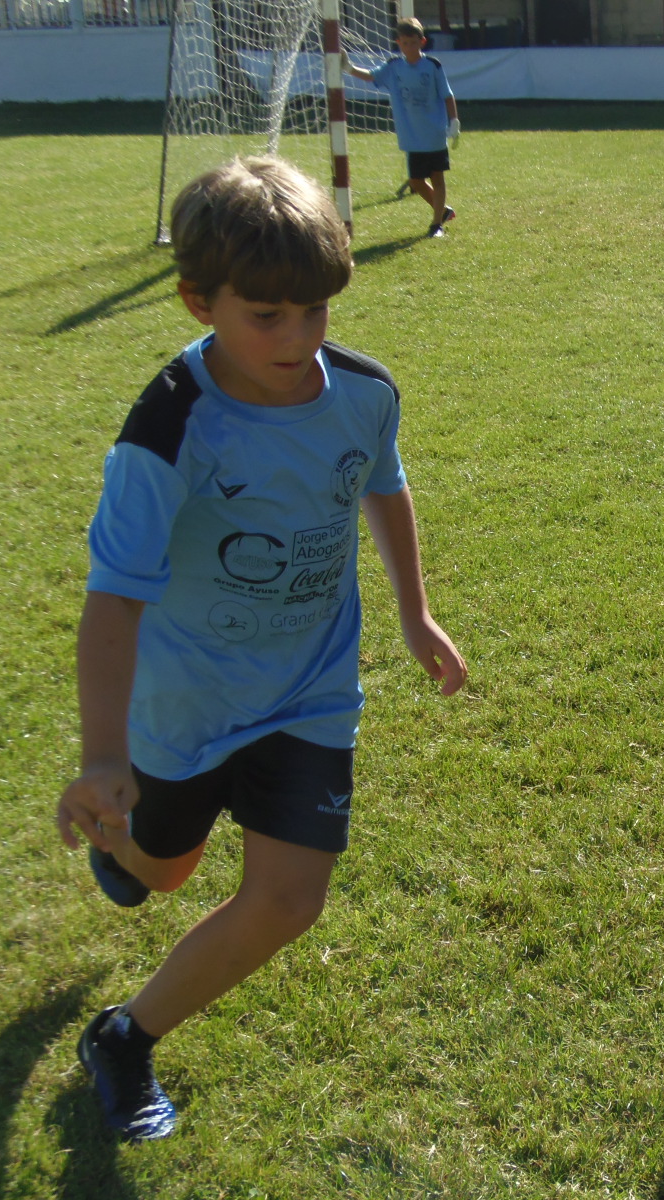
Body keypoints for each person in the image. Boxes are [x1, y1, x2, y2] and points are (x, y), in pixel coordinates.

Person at [56, 156, 468, 1141]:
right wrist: (104, 757)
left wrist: (414, 613)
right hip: (187, 705)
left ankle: (124, 1037)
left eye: (316, 309)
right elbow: (113, 602)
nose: (298, 338)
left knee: (288, 901)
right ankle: (128, 848)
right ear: (199, 302)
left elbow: (383, 484)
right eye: (267, 315)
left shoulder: (364, 392)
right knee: (165, 873)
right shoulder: (169, 428)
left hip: (311, 691)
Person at [345, 18, 459, 238]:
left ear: (422, 42)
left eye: (413, 42)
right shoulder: (394, 66)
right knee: (416, 181)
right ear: (399, 43)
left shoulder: (433, 66)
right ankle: (443, 211)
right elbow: (371, 76)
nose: (409, 47)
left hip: (434, 133)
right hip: (412, 138)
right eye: (405, 43)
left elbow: (447, 95)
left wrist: (454, 121)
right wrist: (349, 68)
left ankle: (436, 225)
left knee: (437, 178)